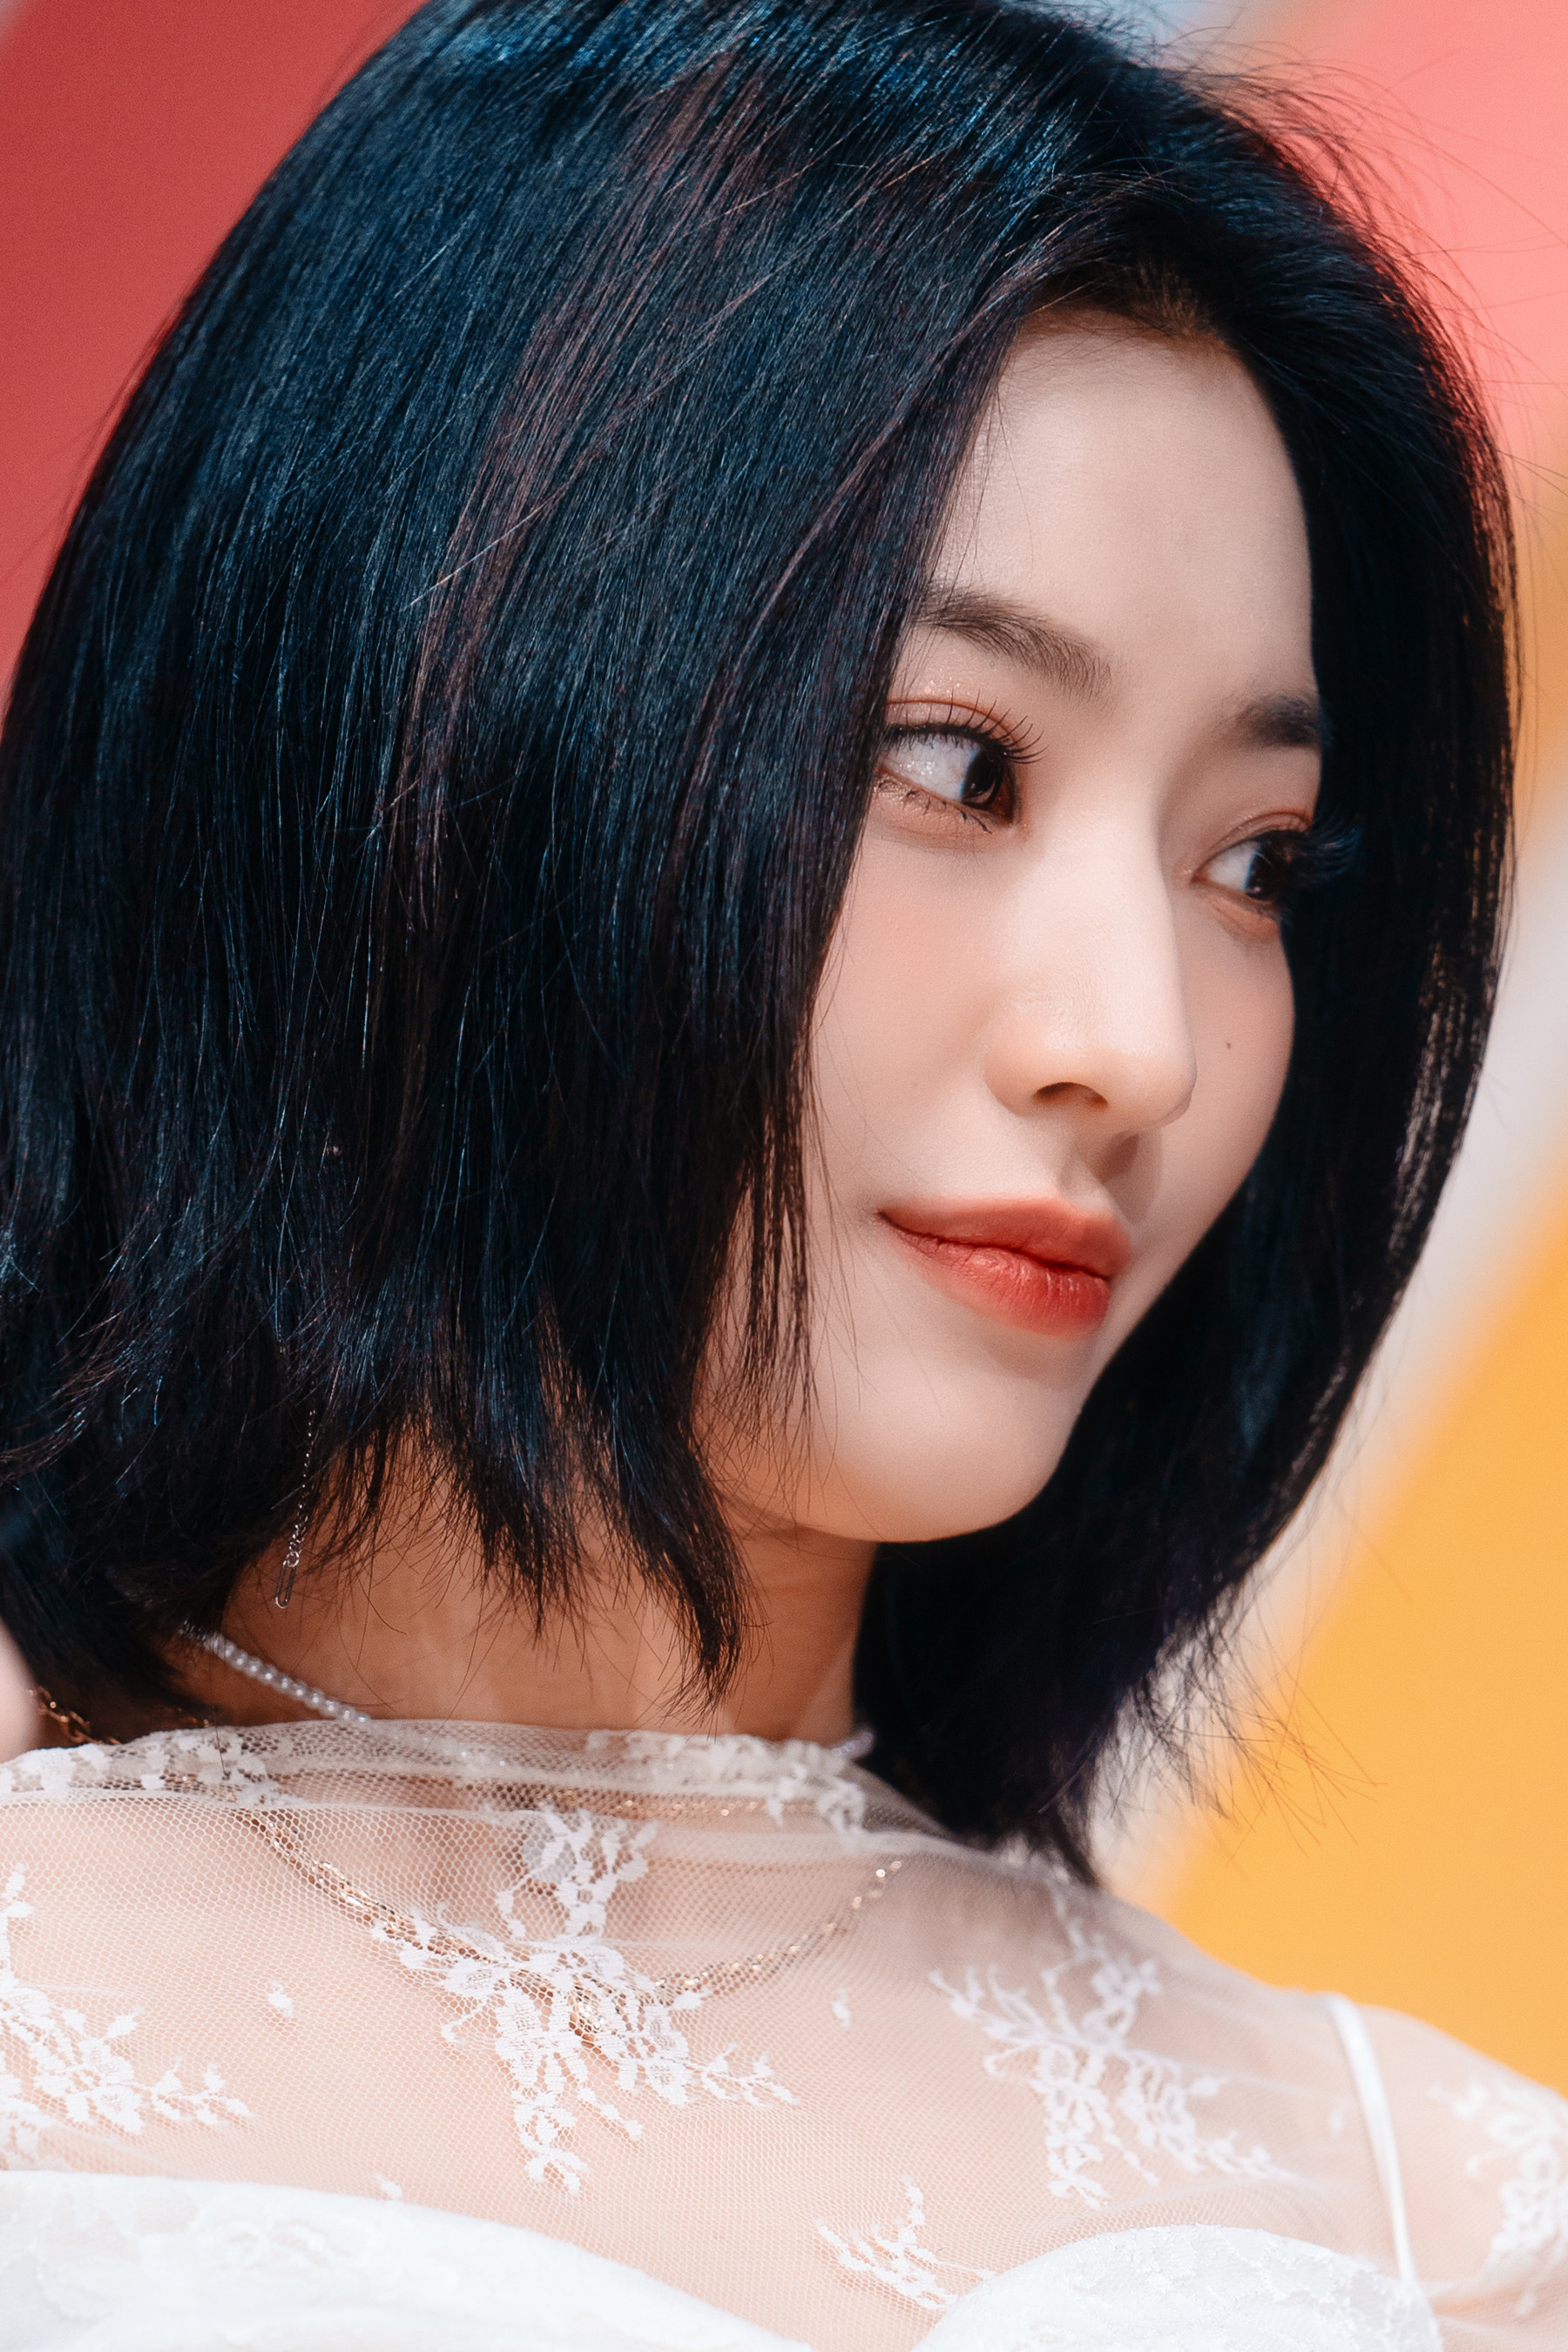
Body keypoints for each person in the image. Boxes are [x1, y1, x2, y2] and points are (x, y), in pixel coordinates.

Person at [0, 0, 1558, 2342]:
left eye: (1258, 861)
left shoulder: (1442, 2218)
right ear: (427, 706)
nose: (1136, 1044)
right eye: (957, 763)